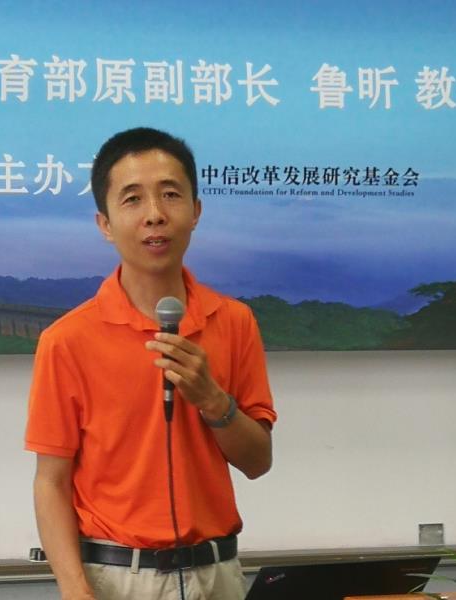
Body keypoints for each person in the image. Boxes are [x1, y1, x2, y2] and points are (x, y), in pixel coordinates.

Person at [25, 127, 277, 600]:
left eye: (170, 194)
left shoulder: (235, 322)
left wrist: (213, 401)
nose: (155, 214)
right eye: (133, 199)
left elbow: (258, 461)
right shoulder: (67, 340)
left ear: (196, 211)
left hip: (216, 574)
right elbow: (51, 482)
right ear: (105, 224)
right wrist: (74, 588)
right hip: (115, 577)